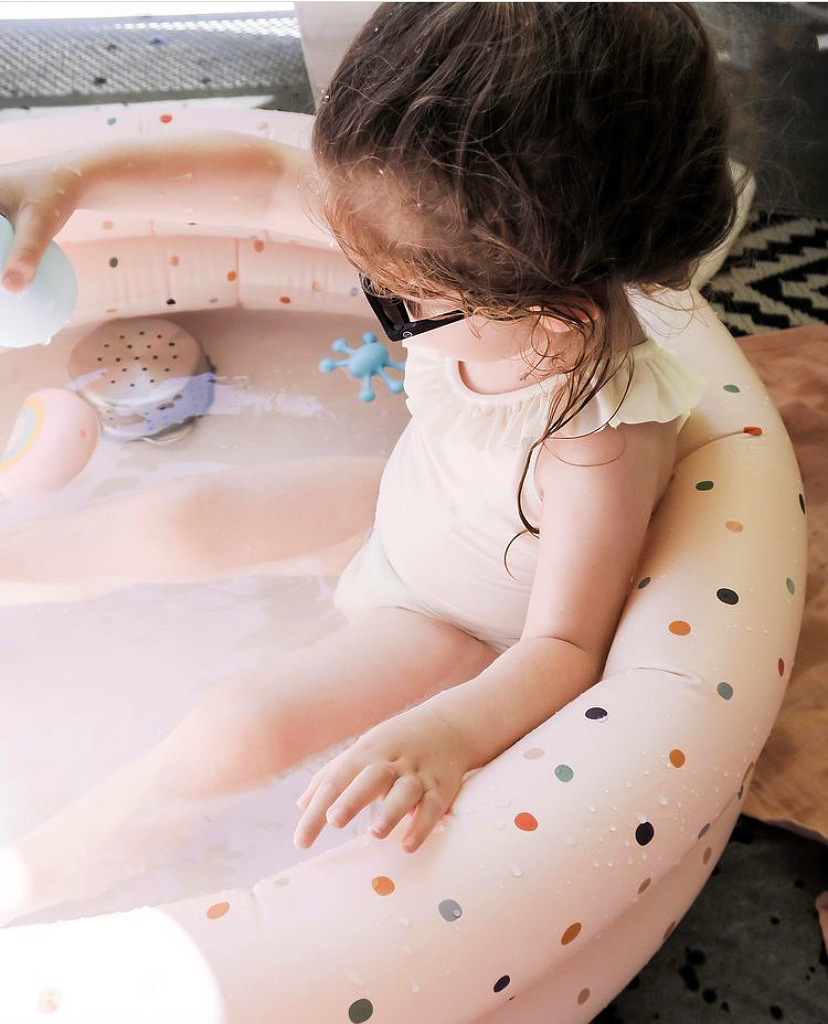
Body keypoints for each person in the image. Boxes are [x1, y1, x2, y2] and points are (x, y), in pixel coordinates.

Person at [0, 2, 749, 926]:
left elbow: (565, 648)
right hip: (394, 518)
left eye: (398, 299)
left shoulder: (595, 439)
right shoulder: (456, 245)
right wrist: (71, 177)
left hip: (450, 625)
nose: (371, 290)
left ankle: (52, 865)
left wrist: (445, 734)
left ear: (558, 316)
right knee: (180, 520)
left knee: (238, 732)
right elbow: (264, 181)